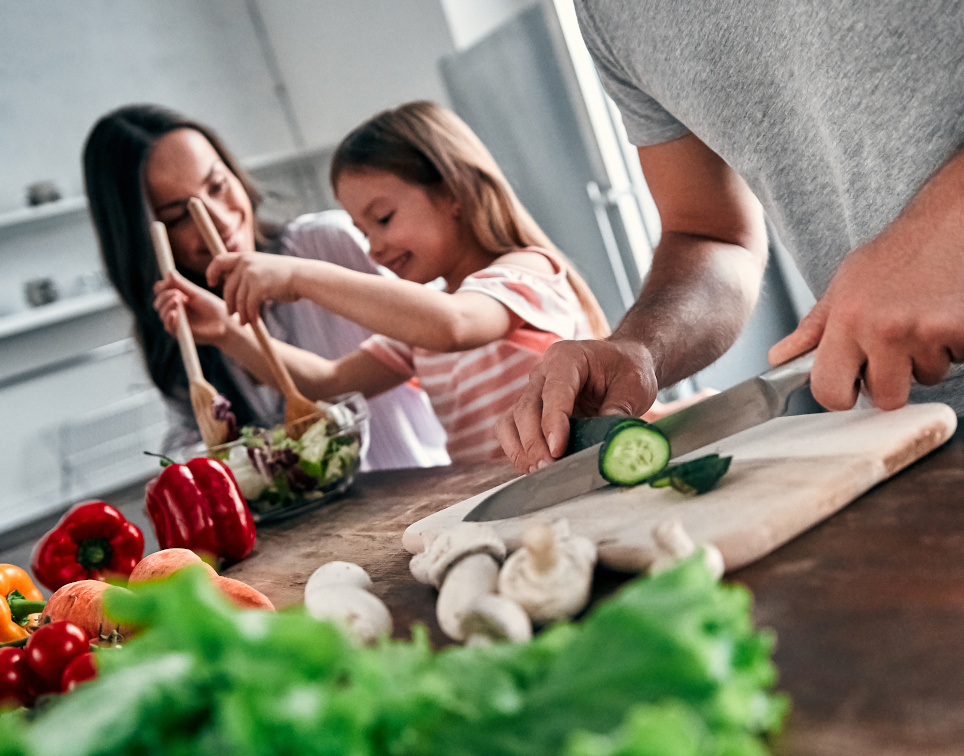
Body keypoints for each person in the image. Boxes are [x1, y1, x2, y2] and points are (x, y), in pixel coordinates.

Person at [497, 0, 964, 472]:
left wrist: (937, 236)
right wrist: (641, 349)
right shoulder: (606, 15)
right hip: (901, 434)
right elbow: (710, 234)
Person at [159, 100, 649, 463]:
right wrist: (226, 329)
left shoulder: (525, 272)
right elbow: (325, 383)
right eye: (362, 229)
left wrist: (299, 274)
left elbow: (454, 325)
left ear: (455, 190)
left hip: (578, 488)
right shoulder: (420, 328)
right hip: (510, 508)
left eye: (384, 218)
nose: (372, 246)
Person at [83, 103, 450, 470]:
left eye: (217, 185)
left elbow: (437, 329)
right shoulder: (180, 327)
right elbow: (189, 447)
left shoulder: (328, 244)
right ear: (143, 243)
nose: (219, 219)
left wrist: (293, 283)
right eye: (180, 217)